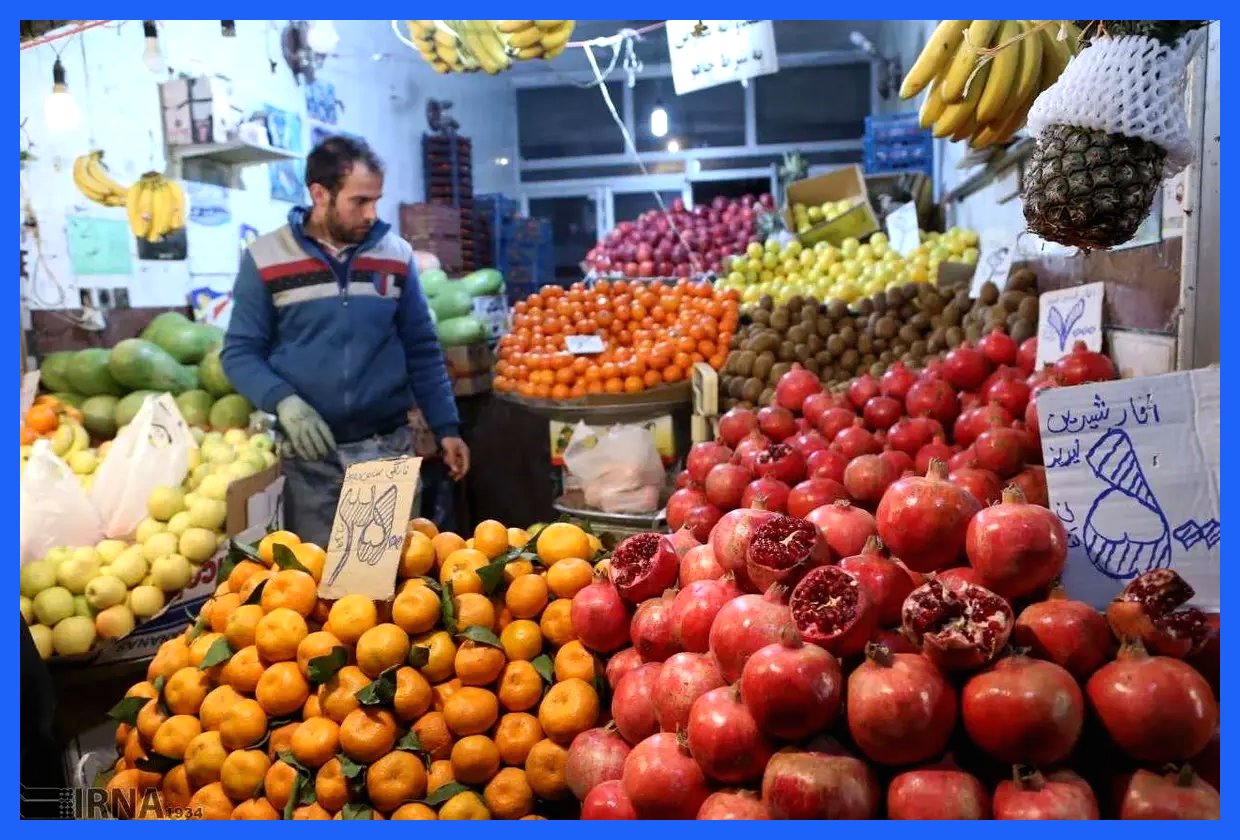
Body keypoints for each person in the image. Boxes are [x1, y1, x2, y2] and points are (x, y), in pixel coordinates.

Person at [222, 135, 469, 546]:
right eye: (360, 201)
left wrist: (446, 426)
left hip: (384, 450)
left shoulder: (395, 255)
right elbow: (239, 352)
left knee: (388, 575)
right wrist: (283, 400)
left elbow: (422, 349)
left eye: (376, 200)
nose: (372, 213)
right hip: (307, 460)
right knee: (312, 576)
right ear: (320, 194)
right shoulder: (266, 257)